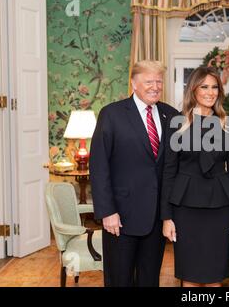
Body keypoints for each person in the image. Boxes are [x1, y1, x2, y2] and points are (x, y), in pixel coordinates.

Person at [90, 60, 179, 287]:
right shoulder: (111, 114)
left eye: (159, 81)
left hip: (156, 219)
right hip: (120, 218)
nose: (155, 86)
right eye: (148, 81)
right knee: (120, 280)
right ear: (133, 83)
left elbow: (175, 166)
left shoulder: (171, 115)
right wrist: (107, 211)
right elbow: (99, 167)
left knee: (149, 281)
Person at [160, 66, 229, 287]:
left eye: (215, 87)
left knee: (215, 276)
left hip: (220, 207)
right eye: (204, 86)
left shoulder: (228, 125)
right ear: (193, 89)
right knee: (190, 276)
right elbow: (169, 172)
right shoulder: (177, 123)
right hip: (185, 208)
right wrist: (166, 217)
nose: (210, 92)